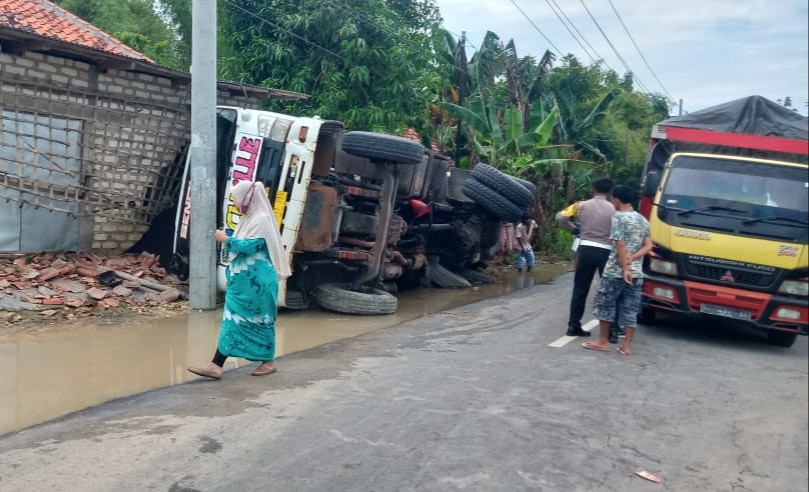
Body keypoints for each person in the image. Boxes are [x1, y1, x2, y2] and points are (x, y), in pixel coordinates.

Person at [187, 180, 292, 379]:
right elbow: (245, 242)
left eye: (236, 199)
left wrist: (224, 239)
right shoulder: (250, 219)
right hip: (244, 286)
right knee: (234, 321)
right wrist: (227, 236)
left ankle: (260, 362)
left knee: (259, 321)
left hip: (256, 286)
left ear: (248, 198)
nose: (235, 203)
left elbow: (249, 247)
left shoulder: (260, 219)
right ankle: (219, 364)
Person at [582, 184, 652, 356]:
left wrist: (625, 266)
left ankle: (603, 341)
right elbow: (649, 245)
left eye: (613, 199)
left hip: (615, 271)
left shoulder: (618, 217)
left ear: (617, 200)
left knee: (605, 304)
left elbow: (619, 242)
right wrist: (632, 258)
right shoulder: (643, 220)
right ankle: (626, 347)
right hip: (637, 273)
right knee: (630, 309)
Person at [556, 177, 615, 337]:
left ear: (593, 189)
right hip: (605, 251)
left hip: (585, 249)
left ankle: (573, 326)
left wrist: (575, 229)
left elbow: (560, 217)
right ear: (610, 191)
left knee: (580, 290)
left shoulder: (581, 205)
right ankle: (610, 331)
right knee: (607, 291)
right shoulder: (614, 209)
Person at [558, 197, 583, 272]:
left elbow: (560, 218)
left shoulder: (576, 206)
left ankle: (575, 267)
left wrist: (573, 228)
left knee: (578, 250)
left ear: (575, 201)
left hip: (580, 232)